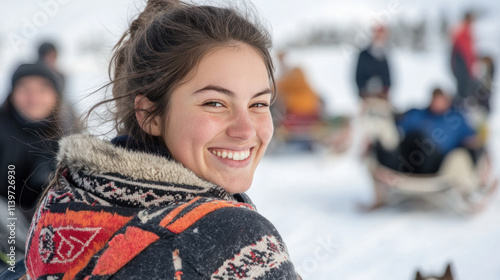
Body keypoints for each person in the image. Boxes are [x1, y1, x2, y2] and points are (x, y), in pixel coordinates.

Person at [18, 1, 299, 279]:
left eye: (259, 104)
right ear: (150, 114)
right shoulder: (235, 239)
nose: (246, 130)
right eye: (215, 103)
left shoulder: (61, 209)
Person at [0, 63, 69, 270]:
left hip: (45, 231)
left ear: (56, 95)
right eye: (25, 89)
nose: (33, 97)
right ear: (12, 93)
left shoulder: (68, 136)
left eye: (42, 90)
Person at [376, 88, 477, 174]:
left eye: (441, 100)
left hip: (438, 164)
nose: (437, 103)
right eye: (435, 99)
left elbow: (471, 139)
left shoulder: (456, 119)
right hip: (406, 159)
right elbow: (397, 128)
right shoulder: (418, 114)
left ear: (447, 101)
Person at [355, 25, 392, 99]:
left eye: (382, 36)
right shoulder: (364, 55)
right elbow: (358, 76)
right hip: (366, 97)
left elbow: (387, 77)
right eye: (378, 35)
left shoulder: (384, 55)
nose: (380, 38)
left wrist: (384, 91)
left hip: (381, 97)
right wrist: (364, 91)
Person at [451, 12, 477, 105]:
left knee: (467, 86)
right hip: (462, 61)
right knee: (463, 86)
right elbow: (464, 48)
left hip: (466, 62)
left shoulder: (467, 30)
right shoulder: (462, 30)